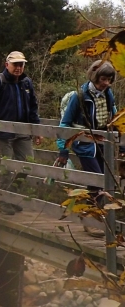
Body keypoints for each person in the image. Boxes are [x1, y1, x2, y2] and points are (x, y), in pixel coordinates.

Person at [56, 60, 117, 237]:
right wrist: (63, 150)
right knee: (96, 181)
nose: (105, 83)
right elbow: (64, 124)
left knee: (104, 181)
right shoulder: (79, 96)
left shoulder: (108, 94)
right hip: (84, 145)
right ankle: (90, 221)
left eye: (109, 80)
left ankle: (97, 218)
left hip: (103, 143)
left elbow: (113, 118)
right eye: (103, 79)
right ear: (94, 76)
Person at [0, 51, 41, 161]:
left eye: (21, 65)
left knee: (28, 164)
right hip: (3, 132)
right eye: (15, 64)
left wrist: (37, 130)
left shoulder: (26, 83)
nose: (18, 68)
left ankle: (16, 179)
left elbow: (33, 108)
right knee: (4, 168)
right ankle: (5, 178)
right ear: (7, 65)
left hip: (23, 130)